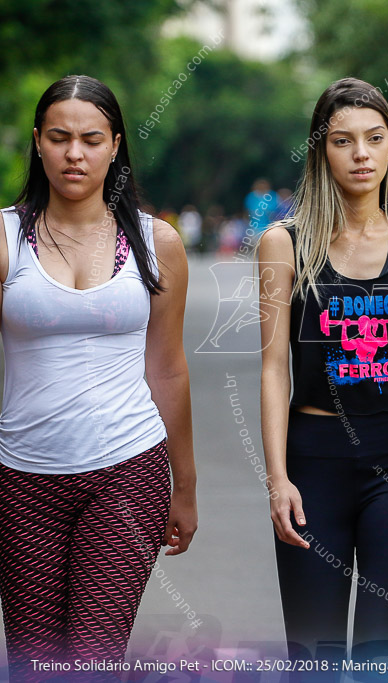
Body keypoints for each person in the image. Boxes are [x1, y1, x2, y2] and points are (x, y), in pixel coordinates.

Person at [0, 75, 197, 680]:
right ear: (38, 143)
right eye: (59, 138)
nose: (74, 154)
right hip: (21, 479)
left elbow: (166, 366)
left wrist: (183, 485)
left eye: (90, 139)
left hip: (127, 472)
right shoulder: (6, 236)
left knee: (93, 659)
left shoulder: (155, 241)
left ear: (115, 145)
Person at [258, 77, 388, 674]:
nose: (360, 154)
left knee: (383, 656)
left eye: (374, 138)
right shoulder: (283, 244)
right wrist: (278, 478)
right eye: (343, 140)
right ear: (321, 151)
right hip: (313, 463)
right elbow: (273, 366)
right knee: (314, 659)